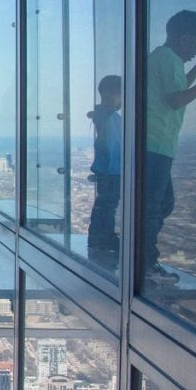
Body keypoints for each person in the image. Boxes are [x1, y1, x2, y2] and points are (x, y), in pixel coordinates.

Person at [143, 10, 196, 286]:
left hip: (156, 144)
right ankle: (145, 264)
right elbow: (176, 100)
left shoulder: (163, 59)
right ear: (184, 37)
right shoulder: (167, 60)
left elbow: (177, 88)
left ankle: (142, 258)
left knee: (161, 204)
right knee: (155, 206)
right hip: (155, 145)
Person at [87, 75, 123, 262]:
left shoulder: (105, 115)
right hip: (112, 171)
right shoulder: (109, 117)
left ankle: (100, 238)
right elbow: (111, 145)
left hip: (109, 170)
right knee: (107, 205)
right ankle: (102, 238)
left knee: (105, 205)